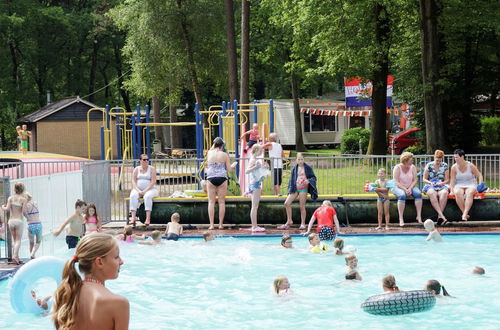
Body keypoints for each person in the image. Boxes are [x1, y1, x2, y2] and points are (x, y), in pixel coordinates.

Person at [52, 233, 129, 330]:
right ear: (99, 262)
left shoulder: (65, 293)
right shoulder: (118, 303)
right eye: (116, 257)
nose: (121, 261)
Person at [279, 153, 318, 230]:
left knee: (302, 206)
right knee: (287, 203)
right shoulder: (294, 169)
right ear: (296, 160)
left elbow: (313, 178)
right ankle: (289, 220)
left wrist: (308, 181)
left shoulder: (307, 168)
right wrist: (290, 190)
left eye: (301, 159)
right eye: (299, 159)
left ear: (304, 159)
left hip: (303, 188)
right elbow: (291, 180)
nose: (300, 161)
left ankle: (303, 223)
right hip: (295, 188)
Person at [206, 137, 237, 230]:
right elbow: (229, 169)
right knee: (221, 202)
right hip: (222, 178)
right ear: (222, 145)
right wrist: (233, 166)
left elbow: (212, 149)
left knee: (211, 202)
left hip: (211, 178)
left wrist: (215, 142)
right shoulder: (224, 155)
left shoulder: (209, 153)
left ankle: (211, 225)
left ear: (214, 144)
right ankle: (220, 224)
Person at [449, 149, 484, 221]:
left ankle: (464, 214)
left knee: (469, 192)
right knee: (457, 193)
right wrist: (451, 190)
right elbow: (452, 180)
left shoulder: (470, 165)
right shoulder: (454, 167)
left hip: (471, 184)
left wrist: (480, 185)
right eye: (454, 157)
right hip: (459, 184)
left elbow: (479, 175)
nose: (455, 159)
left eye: (457, 157)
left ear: (462, 157)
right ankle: (464, 213)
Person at [392, 151, 423, 226]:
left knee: (418, 194)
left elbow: (415, 179)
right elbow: (395, 182)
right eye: (410, 160)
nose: (412, 162)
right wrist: (405, 189)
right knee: (402, 195)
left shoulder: (412, 167)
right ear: (405, 161)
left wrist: (410, 188)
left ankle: (418, 216)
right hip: (398, 187)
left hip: (410, 186)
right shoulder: (397, 168)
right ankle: (401, 218)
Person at [129, 153, 159, 227]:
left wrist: (145, 191)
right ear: (140, 161)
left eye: (147, 159)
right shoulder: (136, 169)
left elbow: (153, 181)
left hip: (151, 189)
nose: (146, 161)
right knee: (133, 195)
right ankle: (133, 218)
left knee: (147, 196)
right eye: (144, 159)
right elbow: (133, 181)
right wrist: (138, 190)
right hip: (138, 189)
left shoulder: (152, 169)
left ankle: (148, 218)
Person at [1, 182, 27, 265]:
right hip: (19, 221)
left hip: (11, 221)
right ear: (22, 189)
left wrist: (2, 207)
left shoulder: (10, 198)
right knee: (18, 240)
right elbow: (24, 212)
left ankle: (17, 257)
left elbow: (7, 209)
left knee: (15, 240)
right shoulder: (23, 199)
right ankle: (15, 256)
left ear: (14, 189)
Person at [246, 144, 269, 232]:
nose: (261, 152)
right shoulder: (253, 160)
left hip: (255, 183)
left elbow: (257, 172)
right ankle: (254, 227)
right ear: (256, 150)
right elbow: (247, 171)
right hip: (255, 184)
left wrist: (263, 168)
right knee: (254, 206)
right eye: (260, 150)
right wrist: (256, 166)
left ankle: (254, 225)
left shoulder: (254, 159)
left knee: (255, 206)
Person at [423, 150, 450, 224]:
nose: (438, 162)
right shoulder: (429, 165)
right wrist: (430, 182)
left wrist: (442, 183)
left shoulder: (445, 165)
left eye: (440, 160)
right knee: (432, 193)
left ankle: (439, 217)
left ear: (442, 159)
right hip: (430, 184)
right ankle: (442, 216)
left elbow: (447, 179)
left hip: (441, 184)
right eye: (437, 160)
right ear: (434, 157)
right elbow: (424, 179)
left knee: (444, 193)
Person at [24, 192, 42, 259]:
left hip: (30, 225)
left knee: (31, 242)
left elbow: (24, 213)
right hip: (38, 224)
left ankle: (31, 256)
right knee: (38, 241)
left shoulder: (25, 205)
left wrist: (27, 218)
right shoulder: (35, 203)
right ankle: (33, 253)